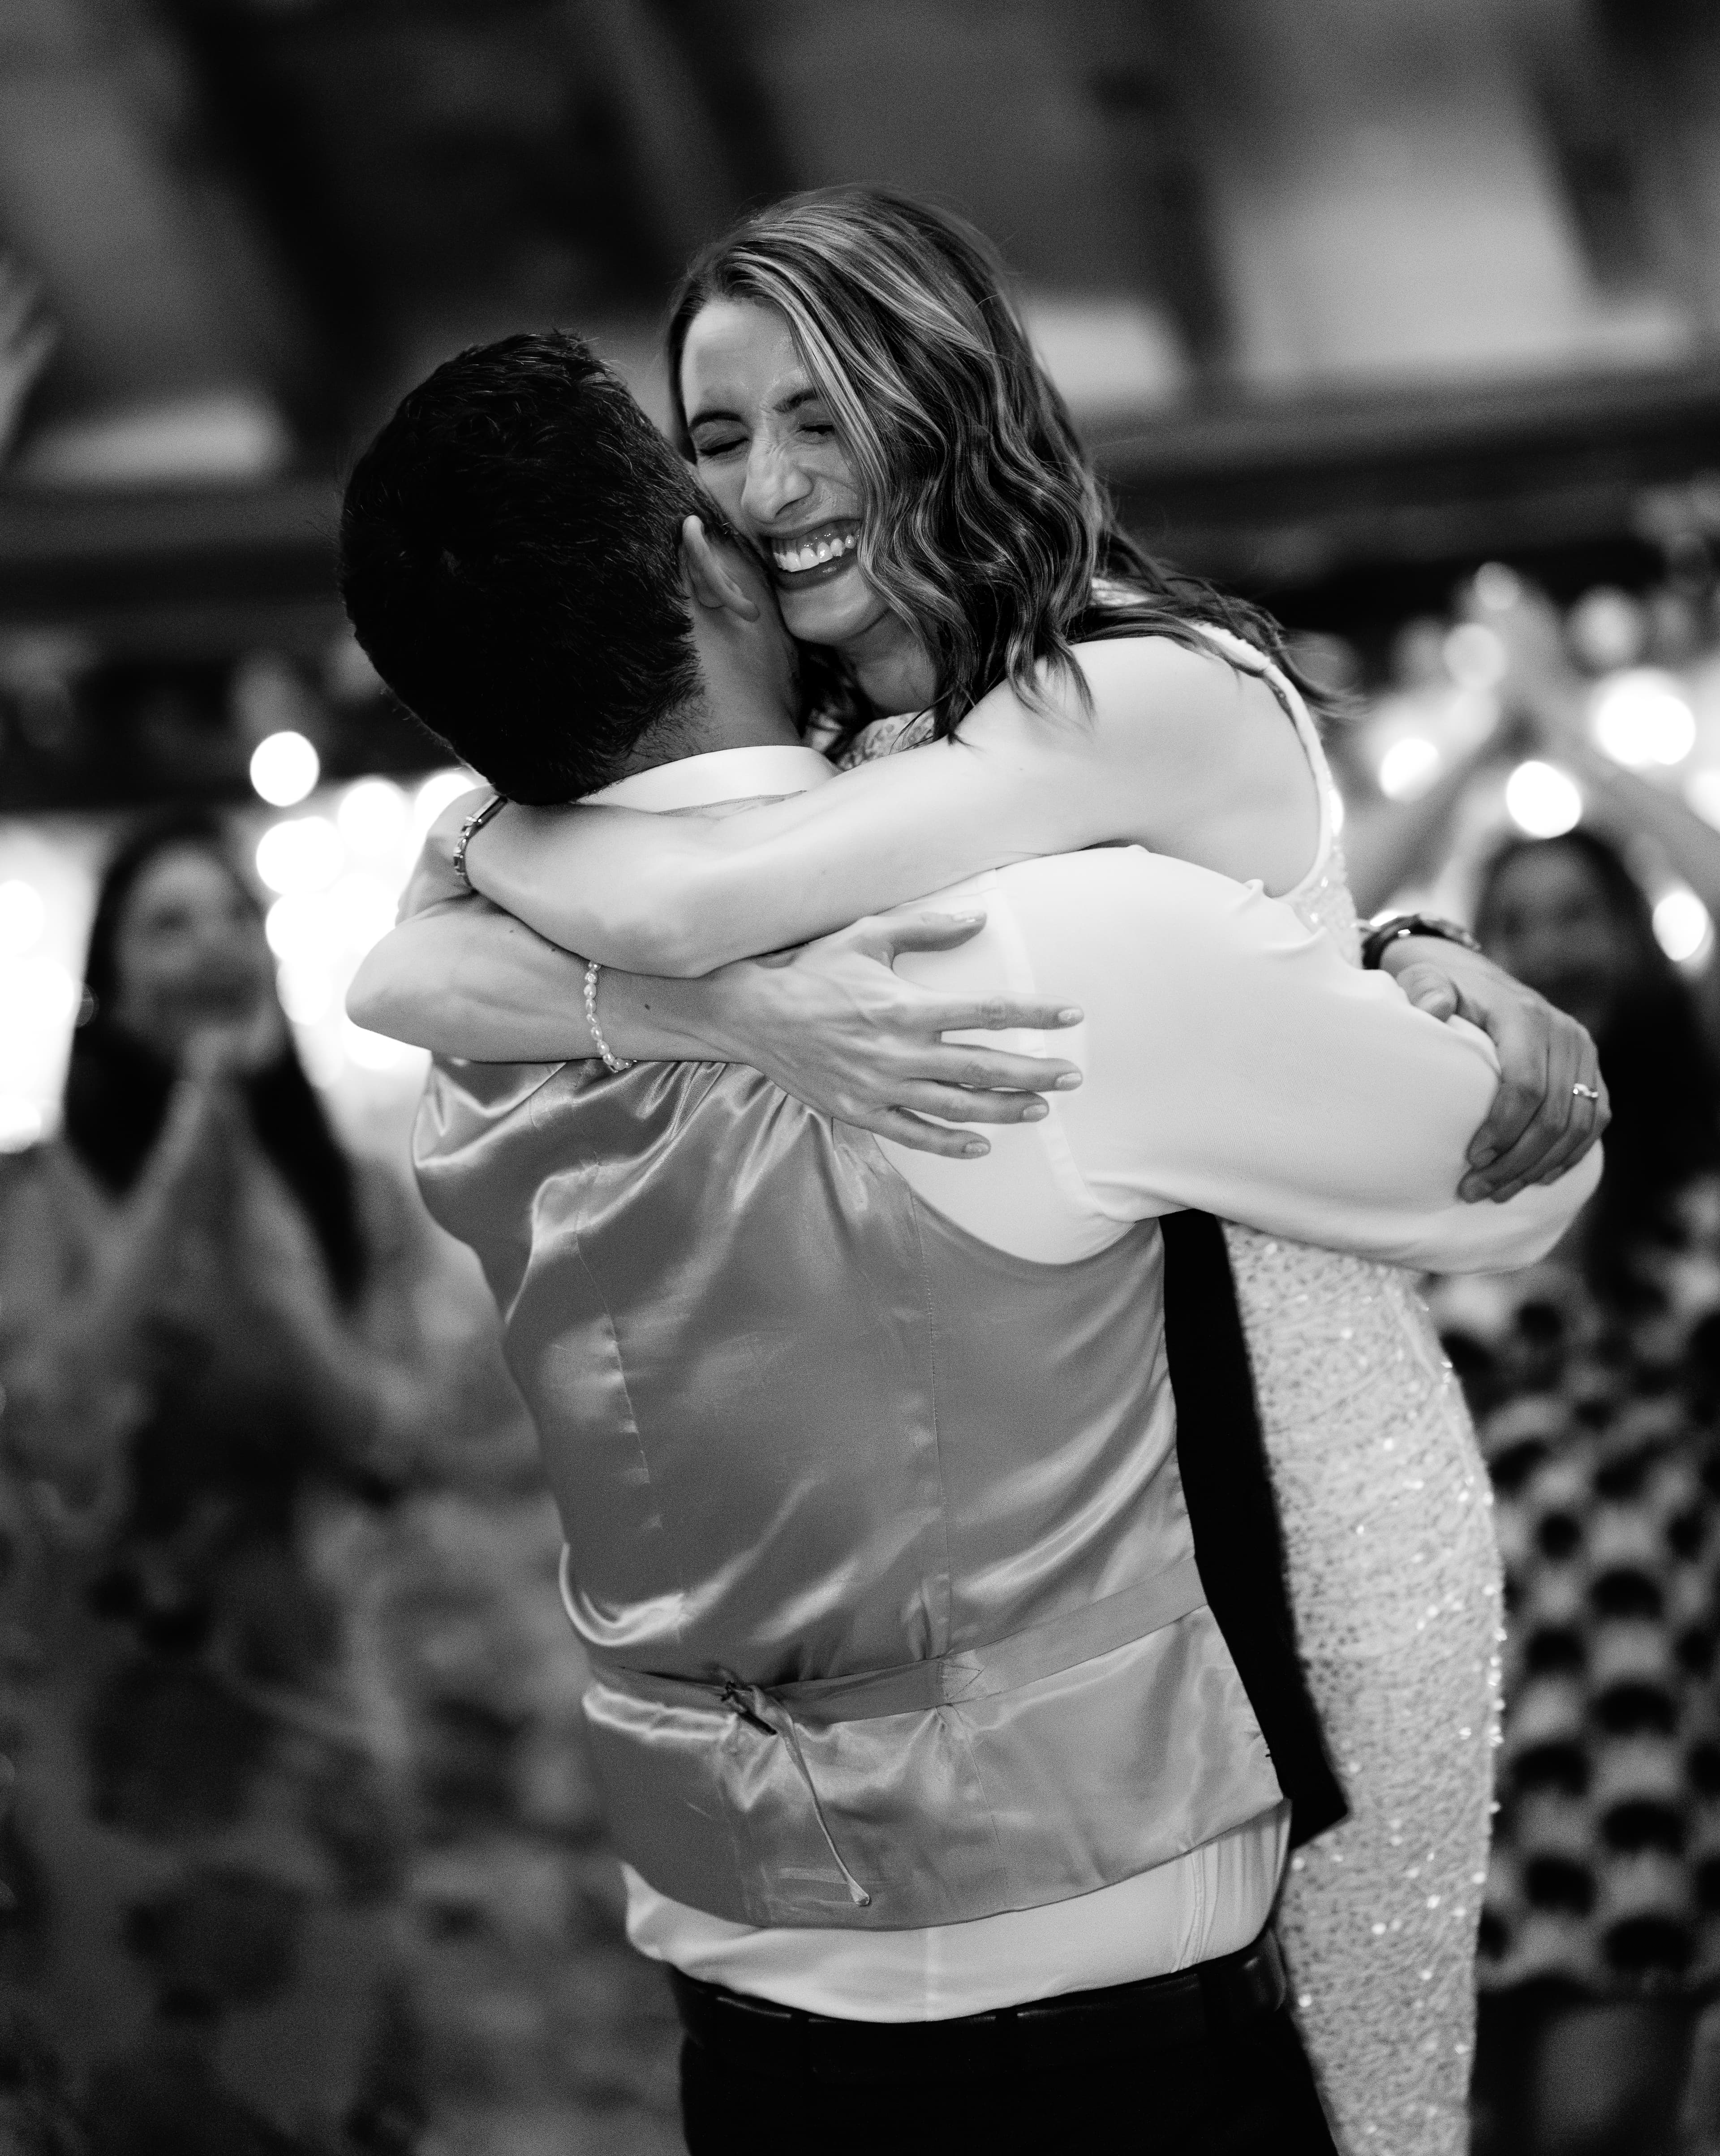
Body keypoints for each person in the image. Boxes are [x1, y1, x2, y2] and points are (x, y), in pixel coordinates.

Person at [365, 194, 1605, 2154]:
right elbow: (430, 954)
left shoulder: (1129, 693)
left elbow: (648, 895)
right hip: (1123, 1536)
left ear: (941, 401)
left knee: (1375, 2097)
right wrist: (734, 1020)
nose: (767, 487)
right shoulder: (860, 746)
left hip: (1310, 1464)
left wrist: (1416, 964)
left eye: (818, 416)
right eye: (714, 438)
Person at [0, 813, 441, 2149]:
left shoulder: (352, 1201)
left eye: (229, 917)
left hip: (312, 1741)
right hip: (96, 1752)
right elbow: (50, 1427)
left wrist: (273, 1280)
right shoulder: (24, 1203)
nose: (207, 947)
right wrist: (182, 1170)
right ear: (108, 982)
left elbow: (392, 1445)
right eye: (166, 923)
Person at [1430, 825, 1720, 2156]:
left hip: (1649, 1707)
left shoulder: (1702, 1157)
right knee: (1443, 2126)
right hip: (1457, 1707)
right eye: (1516, 921)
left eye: (1578, 912)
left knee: (1596, 2128)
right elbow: (1303, 923)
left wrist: (1570, 740)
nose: (1549, 944)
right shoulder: (1425, 1164)